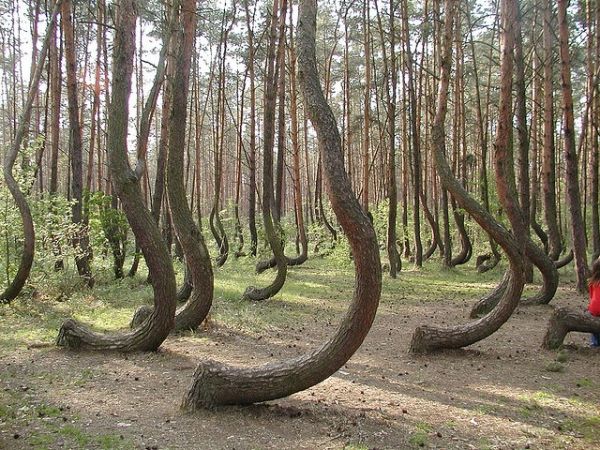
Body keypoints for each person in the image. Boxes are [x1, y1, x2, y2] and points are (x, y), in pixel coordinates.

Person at [588, 259, 600, 347]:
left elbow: (592, 297)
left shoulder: (592, 282)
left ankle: (594, 343)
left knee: (594, 326)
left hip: (593, 309)